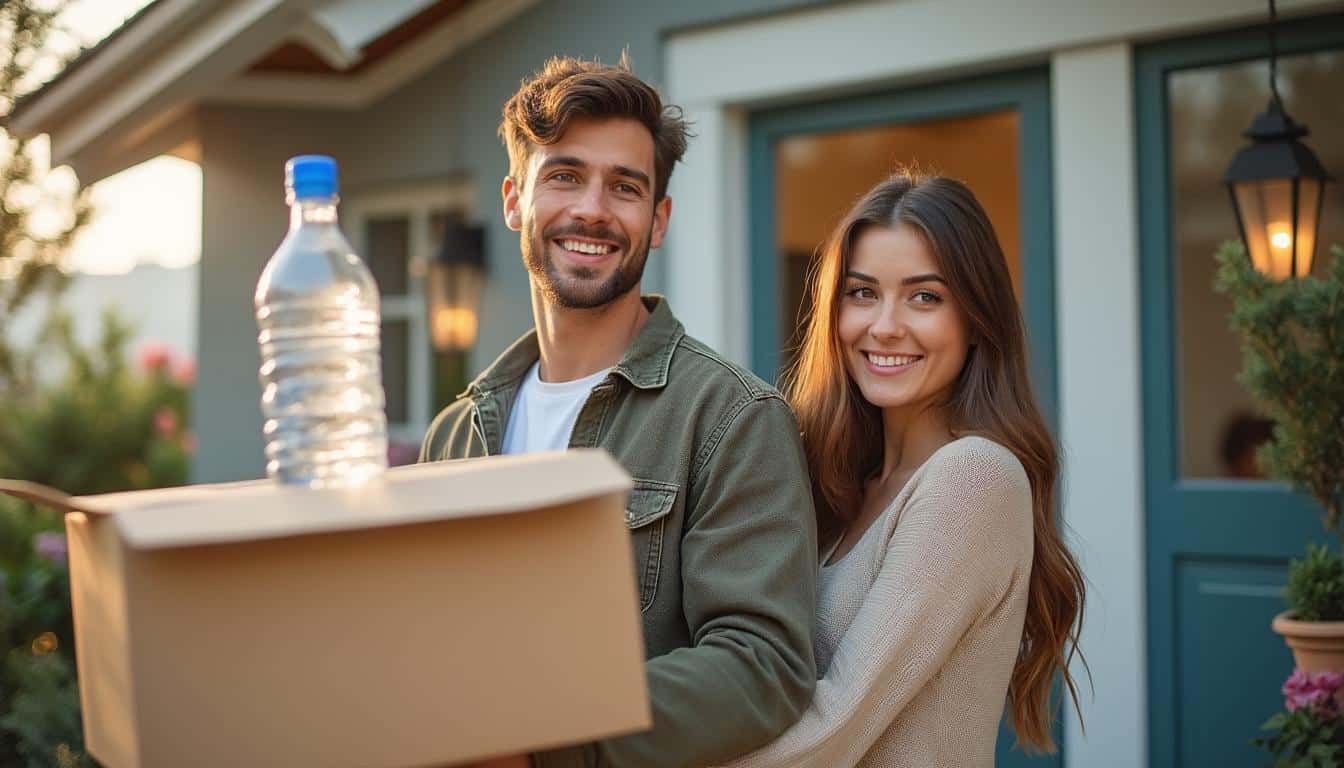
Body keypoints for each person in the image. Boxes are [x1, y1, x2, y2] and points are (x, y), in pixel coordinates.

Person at [419, 56, 818, 768]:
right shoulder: (454, 432)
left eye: (625, 188)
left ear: (657, 219)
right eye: (565, 176)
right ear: (515, 200)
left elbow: (764, 667)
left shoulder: (732, 417)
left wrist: (539, 735)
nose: (593, 210)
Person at [719, 174, 1086, 767]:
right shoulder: (836, 485)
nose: (885, 326)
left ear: (976, 320)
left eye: (925, 297)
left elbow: (835, 725)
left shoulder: (974, 479)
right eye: (862, 293)